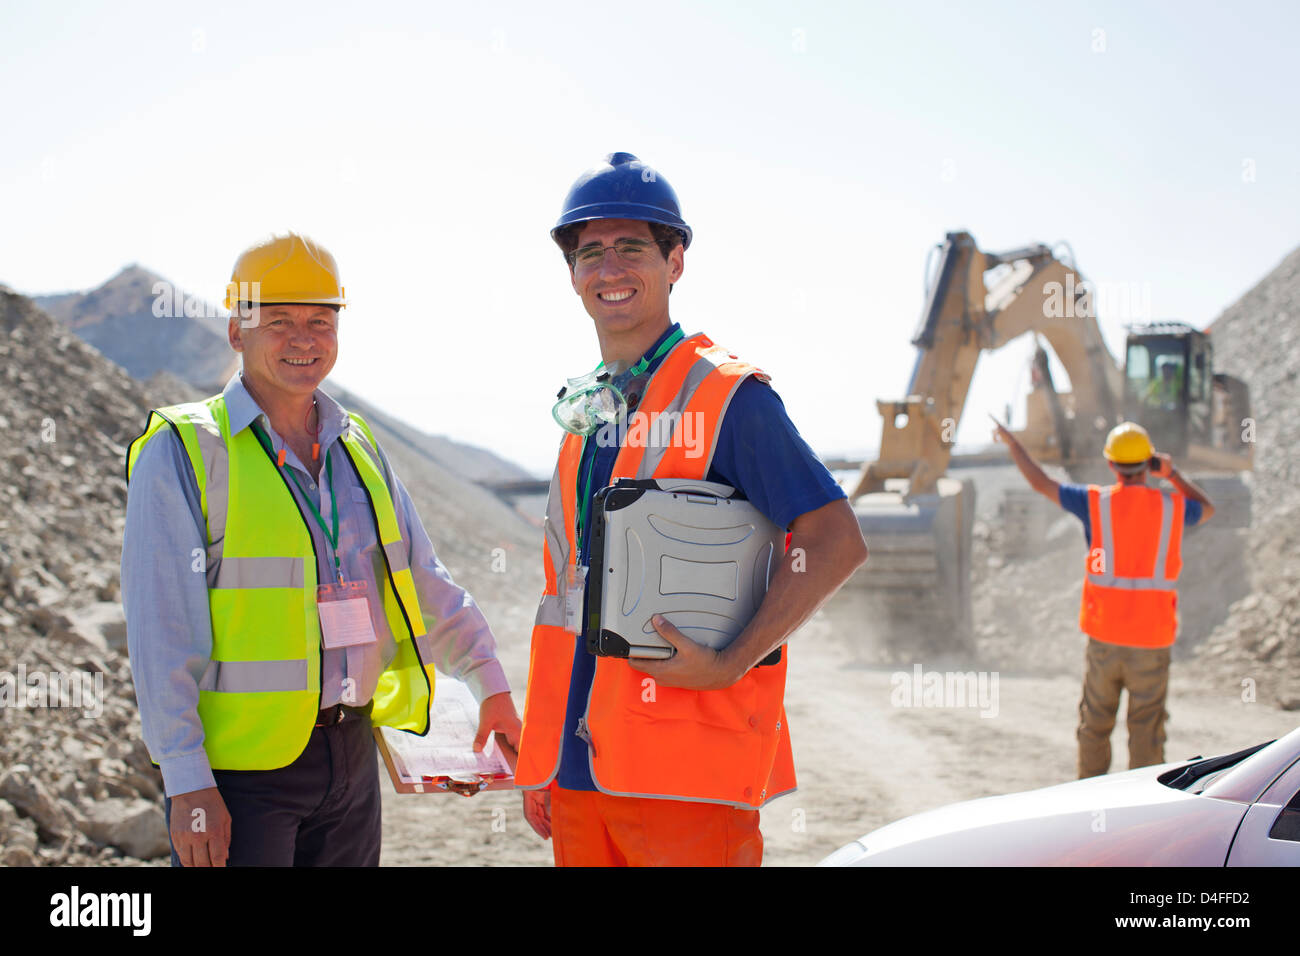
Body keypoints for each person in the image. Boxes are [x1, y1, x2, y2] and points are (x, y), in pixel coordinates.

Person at [122, 232, 521, 866]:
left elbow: (419, 577)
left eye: (320, 320)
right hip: (243, 774)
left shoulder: (357, 445)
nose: (303, 339)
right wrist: (185, 780)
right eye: (278, 321)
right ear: (237, 332)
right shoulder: (186, 450)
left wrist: (489, 683)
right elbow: (160, 630)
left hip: (352, 757)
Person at [514, 152, 869, 866]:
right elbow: (569, 597)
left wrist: (732, 662)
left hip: (686, 776)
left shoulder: (731, 397)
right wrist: (544, 757)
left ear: (675, 261)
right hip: (580, 768)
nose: (608, 269)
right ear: (572, 274)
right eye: (590, 253)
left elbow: (834, 540)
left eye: (631, 248)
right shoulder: (586, 411)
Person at [993, 418, 1214, 777]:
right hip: (1152, 641)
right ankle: (1142, 807)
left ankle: (1089, 804)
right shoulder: (1172, 507)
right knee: (1146, 730)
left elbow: (1040, 482)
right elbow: (1207, 508)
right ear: (1149, 463)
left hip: (1105, 640)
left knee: (1095, 726)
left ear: (1111, 464)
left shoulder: (1095, 503)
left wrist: (1013, 443)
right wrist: (1172, 475)